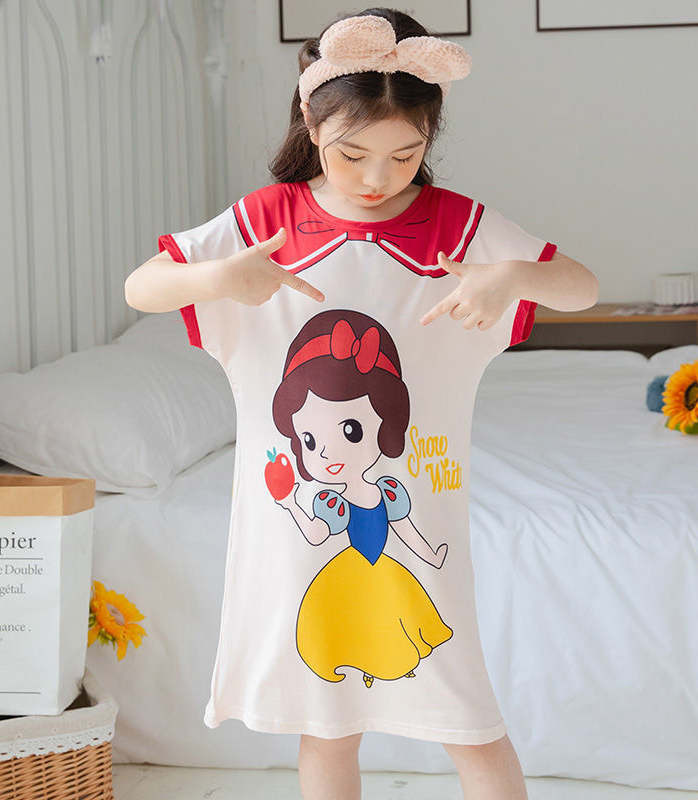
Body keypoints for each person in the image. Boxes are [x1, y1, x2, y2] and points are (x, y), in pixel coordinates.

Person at [124, 7, 598, 800]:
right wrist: (218, 277)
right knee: (327, 728)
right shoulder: (268, 221)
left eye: (405, 155)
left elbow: (580, 286)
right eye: (352, 155)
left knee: (468, 722)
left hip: (424, 541)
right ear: (312, 125)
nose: (378, 178)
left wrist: (512, 277)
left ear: (429, 137)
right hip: (296, 554)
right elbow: (143, 286)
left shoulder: (453, 225)